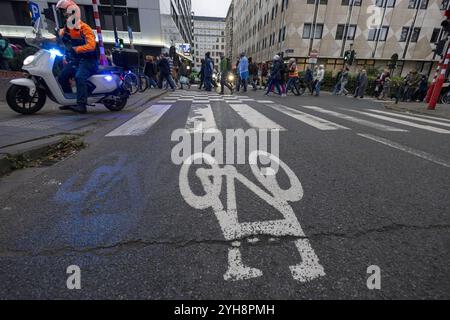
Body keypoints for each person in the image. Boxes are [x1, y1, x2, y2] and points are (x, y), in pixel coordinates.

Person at [56, 0, 98, 114]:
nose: (64, 15)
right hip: (77, 60)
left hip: (89, 61)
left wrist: (76, 49)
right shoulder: (67, 28)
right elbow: (61, 38)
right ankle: (70, 102)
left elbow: (91, 45)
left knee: (80, 77)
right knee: (62, 77)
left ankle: (82, 105)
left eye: (66, 12)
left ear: (73, 12)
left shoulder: (85, 28)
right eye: (63, 13)